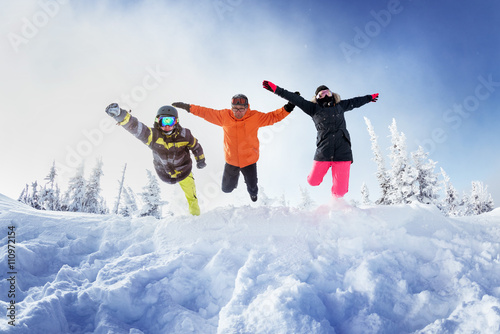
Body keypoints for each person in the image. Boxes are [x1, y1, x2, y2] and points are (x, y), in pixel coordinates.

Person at [262, 80, 379, 199]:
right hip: (324, 151)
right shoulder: (313, 108)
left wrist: (369, 98)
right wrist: (276, 89)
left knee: (340, 192)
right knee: (313, 182)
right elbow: (296, 99)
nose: (326, 96)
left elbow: (356, 101)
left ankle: (335, 206)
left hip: (342, 151)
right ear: (317, 98)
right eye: (321, 94)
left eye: (328, 93)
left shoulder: (340, 106)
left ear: (332, 94)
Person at [172, 94, 295, 202]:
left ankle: (253, 194)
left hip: (249, 160)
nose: (238, 112)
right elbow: (205, 112)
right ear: (231, 107)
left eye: (241, 109)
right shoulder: (224, 116)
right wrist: (188, 107)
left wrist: (288, 107)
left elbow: (273, 116)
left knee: (253, 188)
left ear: (247, 107)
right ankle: (234, 181)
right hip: (232, 161)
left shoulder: (255, 117)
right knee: (226, 189)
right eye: (235, 109)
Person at [105, 103, 206, 216]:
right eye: (163, 121)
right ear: (158, 121)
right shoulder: (153, 136)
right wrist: (120, 115)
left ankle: (195, 218)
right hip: (165, 173)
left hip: (184, 172)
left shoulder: (185, 135)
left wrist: (200, 160)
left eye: (170, 121)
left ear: (176, 122)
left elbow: (196, 146)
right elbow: (136, 127)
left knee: (191, 196)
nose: (167, 126)